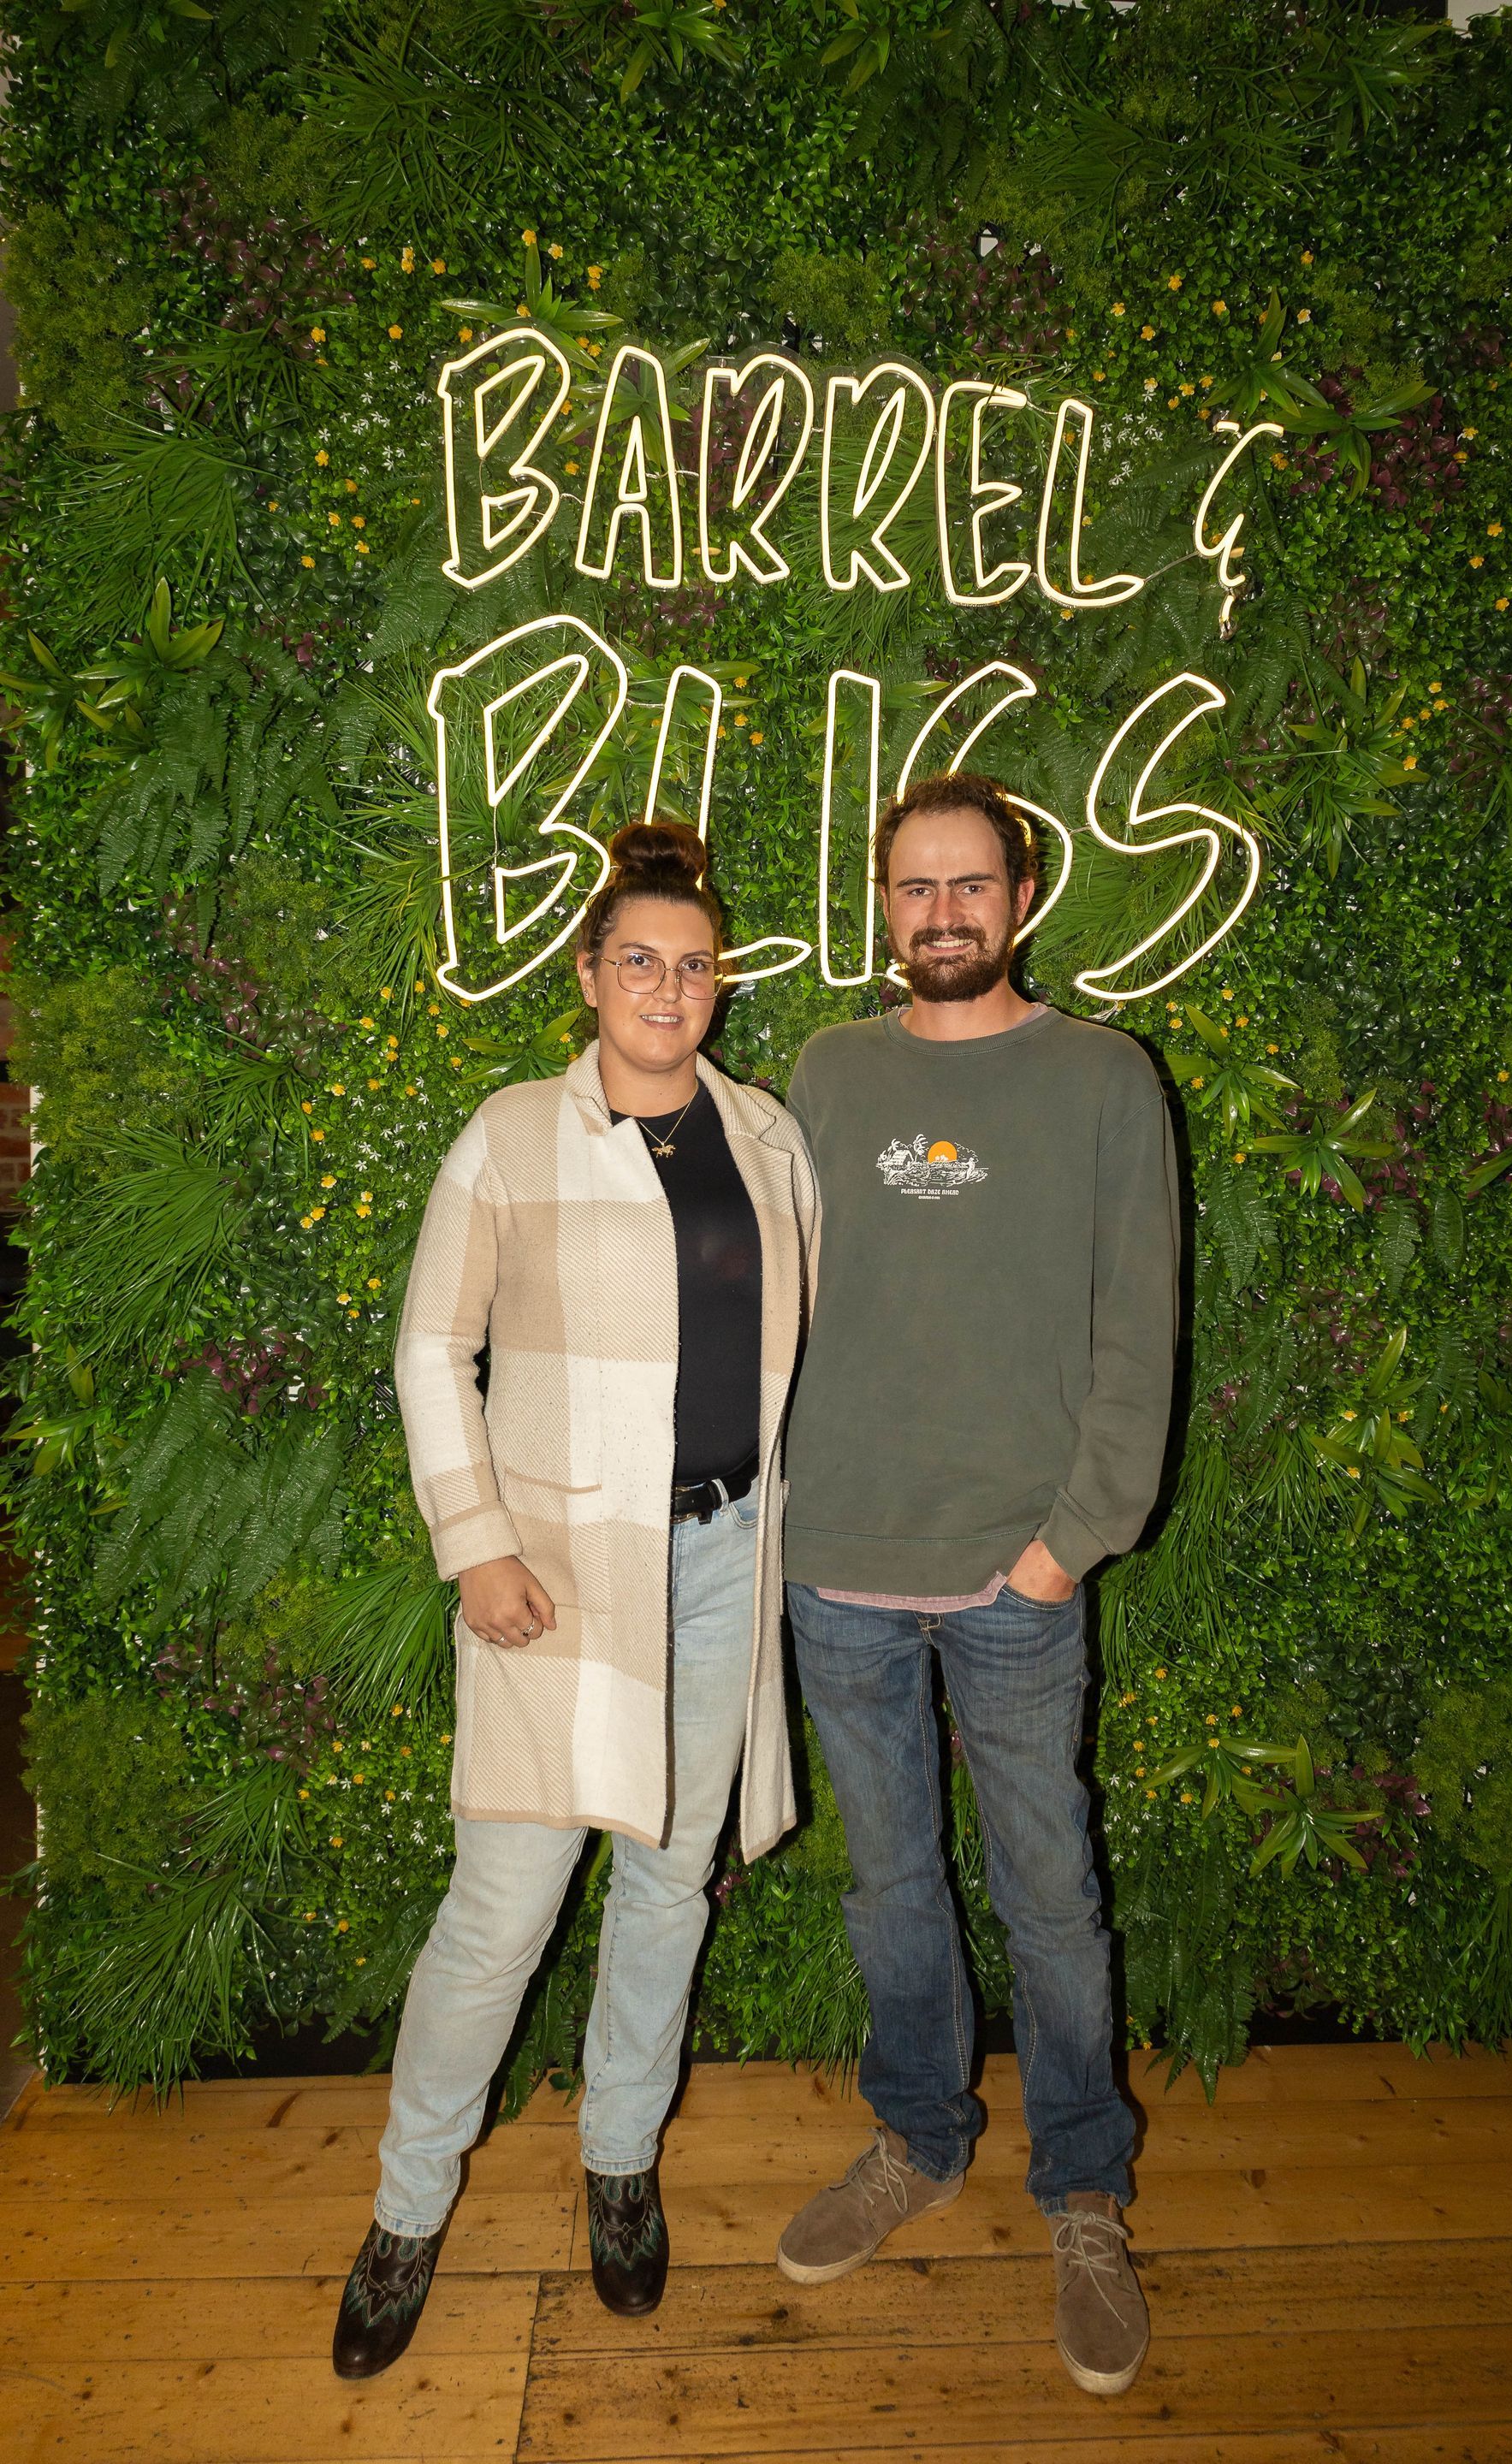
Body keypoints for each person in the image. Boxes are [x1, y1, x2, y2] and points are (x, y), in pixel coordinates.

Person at [333, 820, 816, 2378]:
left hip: (725, 1560)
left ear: (718, 982)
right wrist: (473, 1540)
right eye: (638, 961)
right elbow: (430, 1347)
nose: (666, 986)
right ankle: (409, 2206)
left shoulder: (770, 1139)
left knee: (670, 1886)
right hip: (556, 1581)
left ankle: (620, 2162)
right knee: (503, 1910)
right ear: (590, 975)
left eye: (691, 963)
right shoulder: (509, 1135)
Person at [774, 771, 1180, 2398]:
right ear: (884, 904)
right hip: (841, 1570)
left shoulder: (1102, 1077)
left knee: (1053, 1898)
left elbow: (1139, 1333)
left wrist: (1065, 1542)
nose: (941, 912)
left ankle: (1084, 2191)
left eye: (971, 884)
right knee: (889, 1889)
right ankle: (918, 2137)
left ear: (1020, 895)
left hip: (1018, 1573)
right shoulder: (822, 1068)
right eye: (913, 887)